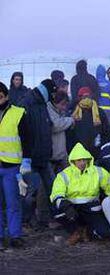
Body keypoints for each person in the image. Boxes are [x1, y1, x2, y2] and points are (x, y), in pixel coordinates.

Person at [50, 143, 110, 245]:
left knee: (105, 233)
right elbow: (56, 194)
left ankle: (86, 231)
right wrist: (66, 206)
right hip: (72, 208)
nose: (82, 163)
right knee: (58, 212)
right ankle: (75, 231)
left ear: (88, 159)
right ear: (73, 161)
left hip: (91, 208)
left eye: (84, 160)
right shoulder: (64, 175)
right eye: (79, 160)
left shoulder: (98, 171)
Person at [20, 79, 57, 228]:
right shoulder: (27, 103)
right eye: (52, 92)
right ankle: (25, 220)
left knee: (53, 188)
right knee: (30, 191)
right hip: (30, 157)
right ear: (46, 90)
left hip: (43, 156)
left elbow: (45, 128)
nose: (53, 96)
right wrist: (25, 157)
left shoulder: (42, 104)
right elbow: (23, 132)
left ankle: (50, 218)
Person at [0, 82, 31, 249]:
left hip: (11, 167)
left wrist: (26, 160)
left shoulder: (18, 113)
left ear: (6, 96)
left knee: (13, 203)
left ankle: (15, 235)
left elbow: (27, 139)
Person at [69, 87, 110, 159]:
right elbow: (70, 133)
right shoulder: (74, 112)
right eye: (84, 96)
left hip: (96, 149)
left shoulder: (99, 112)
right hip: (79, 151)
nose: (86, 99)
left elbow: (106, 130)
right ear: (79, 98)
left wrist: (103, 145)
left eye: (88, 96)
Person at [47, 92, 74, 174]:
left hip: (61, 153)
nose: (65, 108)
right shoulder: (48, 110)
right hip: (52, 154)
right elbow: (55, 126)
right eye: (63, 105)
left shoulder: (58, 110)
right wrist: (70, 120)